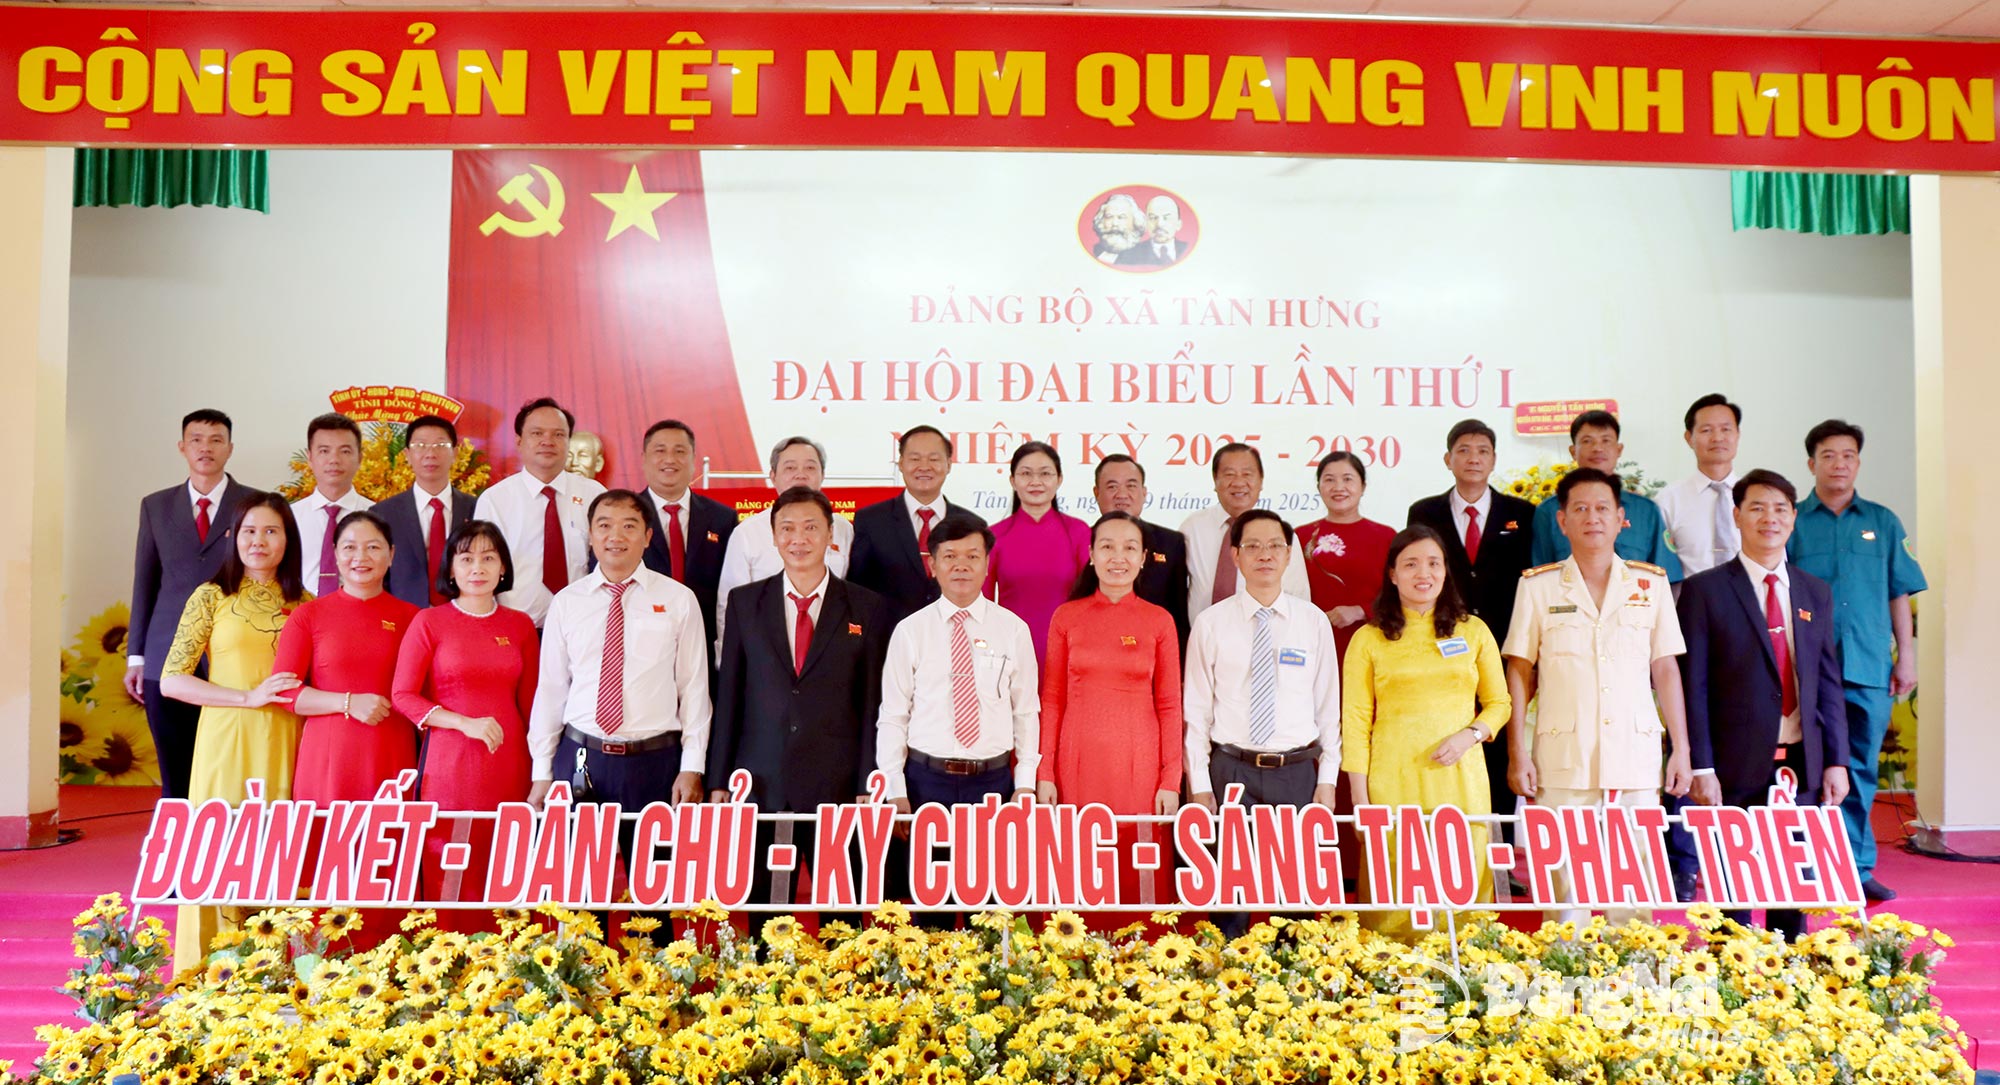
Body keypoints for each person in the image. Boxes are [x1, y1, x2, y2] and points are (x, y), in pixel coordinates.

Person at [1503, 468, 1693, 926]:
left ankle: (1638, 981)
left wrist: (1682, 749)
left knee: (1637, 878)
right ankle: (1562, 976)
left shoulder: (1651, 585)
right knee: (1562, 884)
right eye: (1581, 509)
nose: (1593, 518)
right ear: (1562, 521)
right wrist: (1517, 752)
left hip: (1635, 752)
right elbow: (1519, 670)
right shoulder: (1537, 586)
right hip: (1563, 753)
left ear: (1621, 519)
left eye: (1603, 508)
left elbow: (1665, 668)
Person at [1679, 469, 1848, 940]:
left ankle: (1787, 984)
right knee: (1732, 887)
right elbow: (1693, 685)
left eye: (1779, 508)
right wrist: (1701, 765)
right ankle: (1730, 989)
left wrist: (1836, 759)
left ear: (1793, 518)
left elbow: (1827, 683)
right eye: (1756, 507)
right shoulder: (1704, 591)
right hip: (1732, 767)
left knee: (1791, 886)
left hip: (1801, 762)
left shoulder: (1815, 591)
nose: (1768, 518)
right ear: (1736, 516)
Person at [707, 487, 891, 910]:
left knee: (839, 915)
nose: (799, 539)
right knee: (765, 912)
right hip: (761, 779)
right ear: (773, 537)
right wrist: (719, 778)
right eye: (787, 529)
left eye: (811, 528)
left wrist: (868, 777)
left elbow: (871, 703)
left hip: (839, 782)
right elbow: (730, 694)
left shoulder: (866, 607)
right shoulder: (745, 603)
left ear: (832, 536)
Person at [158, 494, 307, 972]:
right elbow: (172, 679)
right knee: (221, 846)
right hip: (226, 738)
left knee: (278, 846)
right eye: (249, 531)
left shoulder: (306, 604)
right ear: (233, 538)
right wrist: (247, 697)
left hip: (288, 739)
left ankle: (278, 967)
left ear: (289, 539)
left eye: (271, 532)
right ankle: (214, 969)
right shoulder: (211, 596)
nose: (259, 541)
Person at [1342, 525, 1511, 938]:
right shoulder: (1369, 638)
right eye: (1411, 563)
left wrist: (1470, 734)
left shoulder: (1473, 631)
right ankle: (1388, 979)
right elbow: (1356, 720)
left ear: (1445, 571)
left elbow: (1500, 704)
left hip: (1461, 778)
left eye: (1434, 563)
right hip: (1392, 779)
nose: (1424, 573)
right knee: (1394, 878)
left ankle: (1470, 971)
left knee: (1464, 871)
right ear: (1393, 574)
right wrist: (1361, 799)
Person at [1787, 420, 1926, 903]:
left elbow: (1899, 593)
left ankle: (1855, 867)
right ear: (1812, 463)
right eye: (1828, 455)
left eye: (1848, 455)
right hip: (1808, 670)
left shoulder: (1883, 522)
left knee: (1862, 768)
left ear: (1858, 463)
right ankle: (1808, 866)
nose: (1839, 463)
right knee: (1808, 770)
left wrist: (1904, 656)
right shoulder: (1793, 520)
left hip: (1867, 665)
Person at [1183, 510, 1340, 936]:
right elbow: (1195, 711)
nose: (1264, 555)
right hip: (1230, 771)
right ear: (1236, 556)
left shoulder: (1313, 622)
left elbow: (1328, 708)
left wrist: (1327, 777)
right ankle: (1228, 985)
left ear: (1289, 556)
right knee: (1229, 897)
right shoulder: (1211, 623)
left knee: (1295, 901)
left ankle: (1293, 989)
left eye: (1274, 546)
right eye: (1252, 545)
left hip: (1296, 773)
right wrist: (1199, 784)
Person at [879, 516, 1040, 919]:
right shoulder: (910, 632)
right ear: (932, 565)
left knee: (989, 911)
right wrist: (895, 789)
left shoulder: (1013, 631)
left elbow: (1026, 713)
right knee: (927, 911)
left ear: (988, 563)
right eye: (949, 556)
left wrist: (1024, 787)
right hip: (924, 783)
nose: (961, 566)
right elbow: (893, 716)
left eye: (972, 555)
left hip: (993, 783)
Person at [528, 491, 709, 843]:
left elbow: (694, 688)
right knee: (574, 887)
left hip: (656, 761)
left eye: (629, 526)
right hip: (581, 759)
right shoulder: (567, 602)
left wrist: (692, 766)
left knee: (655, 884)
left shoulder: (677, 599)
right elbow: (551, 690)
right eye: (605, 525)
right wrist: (542, 771)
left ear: (647, 537)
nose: (616, 536)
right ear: (591, 535)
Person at [391, 521, 540, 920]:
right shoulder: (429, 622)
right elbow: (402, 695)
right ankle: (449, 962)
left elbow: (533, 706)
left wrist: (542, 769)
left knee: (507, 861)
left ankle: (510, 965)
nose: (478, 567)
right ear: (451, 570)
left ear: (503, 568)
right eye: (467, 558)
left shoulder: (520, 625)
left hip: (511, 763)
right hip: (450, 765)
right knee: (452, 861)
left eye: (488, 558)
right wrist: (463, 723)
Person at [1404, 420, 1536, 856]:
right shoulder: (1425, 512)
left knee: (1499, 739)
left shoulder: (1522, 513)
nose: (1473, 457)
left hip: (1506, 643)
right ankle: (1448, 852)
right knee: (1450, 735)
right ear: (1448, 459)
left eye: (1483, 450)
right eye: (1463, 450)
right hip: (1444, 643)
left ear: (1495, 459)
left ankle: (1496, 857)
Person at [1038, 512, 1183, 907]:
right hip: (1077, 762)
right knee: (1080, 864)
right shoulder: (1067, 617)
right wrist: (1045, 770)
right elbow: (1052, 698)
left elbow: (1170, 705)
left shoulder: (1159, 621)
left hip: (1140, 765)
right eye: (1107, 546)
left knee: (1138, 869)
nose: (1118, 557)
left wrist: (1171, 778)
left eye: (1129, 548)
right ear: (1090, 555)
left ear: (1143, 558)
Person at [126, 408, 266, 800]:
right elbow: (145, 581)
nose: (206, 448)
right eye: (197, 440)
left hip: (234, 650)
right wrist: (136, 657)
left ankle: (231, 835)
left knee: (231, 761)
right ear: (182, 447)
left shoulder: (255, 503)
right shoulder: (155, 506)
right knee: (175, 762)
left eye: (216, 439)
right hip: (166, 650)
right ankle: (177, 842)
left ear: (230, 448)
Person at [274, 510, 420, 806]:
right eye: (350, 547)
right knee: (326, 845)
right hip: (329, 756)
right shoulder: (308, 615)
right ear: (335, 555)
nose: (360, 557)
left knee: (389, 843)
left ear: (391, 555)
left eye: (373, 547)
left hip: (392, 751)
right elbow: (284, 692)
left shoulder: (413, 618)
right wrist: (348, 703)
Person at [714, 436, 855, 652]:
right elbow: (728, 606)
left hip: (829, 647)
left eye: (810, 467)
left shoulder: (843, 528)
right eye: (790, 467)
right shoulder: (747, 532)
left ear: (822, 475)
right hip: (764, 651)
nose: (800, 474)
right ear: (773, 476)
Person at [472, 397, 605, 626]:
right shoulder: (495, 500)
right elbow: (481, 567)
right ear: (519, 441)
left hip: (583, 626)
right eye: (537, 433)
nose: (548, 441)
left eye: (558, 434)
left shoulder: (594, 495)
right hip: (516, 628)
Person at [1529, 410, 1684, 582]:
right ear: (1573, 451)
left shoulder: (1646, 511)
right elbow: (1541, 580)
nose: (1597, 448)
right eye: (1587, 441)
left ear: (1619, 449)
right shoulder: (1549, 512)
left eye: (1606, 440)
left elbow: (1667, 579)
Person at [849, 426, 982, 624]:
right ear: (901, 464)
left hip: (955, 639)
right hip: (887, 643)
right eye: (915, 459)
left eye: (934, 459)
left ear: (948, 464)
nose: (924, 466)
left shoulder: (972, 525)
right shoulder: (870, 521)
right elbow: (857, 591)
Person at [634, 419, 737, 665]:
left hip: (704, 644)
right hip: (641, 645)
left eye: (680, 451)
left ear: (693, 460)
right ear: (644, 458)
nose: (670, 459)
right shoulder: (624, 515)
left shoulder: (723, 518)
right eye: (660, 451)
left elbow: (732, 585)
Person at [986, 441, 1092, 665]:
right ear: (1013, 480)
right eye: (1026, 474)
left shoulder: (1079, 532)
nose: (1036, 482)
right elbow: (982, 602)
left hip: (1070, 651)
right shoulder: (994, 536)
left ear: (1059, 479)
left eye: (1045, 474)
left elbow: (1091, 598)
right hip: (1009, 652)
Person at [1182, 443, 1310, 624]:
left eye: (1247, 474)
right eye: (1229, 474)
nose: (1239, 482)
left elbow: (1299, 595)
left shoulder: (1279, 533)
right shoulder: (1192, 528)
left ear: (1261, 481)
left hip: (1265, 638)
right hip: (1203, 640)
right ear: (1215, 480)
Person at [1296, 451, 1396, 661]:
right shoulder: (1300, 536)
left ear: (1363, 486)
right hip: (1313, 646)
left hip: (1373, 643)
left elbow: (1401, 595)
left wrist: (1362, 611)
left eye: (1348, 479)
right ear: (1319, 488)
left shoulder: (1386, 536)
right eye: (1329, 480)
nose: (1338, 487)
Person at [373, 414, 475, 608]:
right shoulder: (383, 513)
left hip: (463, 615)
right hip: (403, 618)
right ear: (407, 455)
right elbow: (379, 574)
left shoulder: (475, 508)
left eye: (440, 445)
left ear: (455, 453)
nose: (430, 453)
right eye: (420, 446)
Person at [1092, 454, 1190, 651]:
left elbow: (1178, 612)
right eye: (1112, 487)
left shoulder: (1171, 542)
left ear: (1144, 492)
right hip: (1095, 651)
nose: (1122, 494)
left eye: (1131, 486)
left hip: (1155, 655)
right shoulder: (1083, 539)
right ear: (1096, 493)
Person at [1656, 394, 1744, 578]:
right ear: (1689, 438)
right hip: (1690, 602)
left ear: (1737, 435)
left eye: (1726, 429)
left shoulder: (1755, 497)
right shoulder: (1668, 501)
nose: (1717, 438)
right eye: (1706, 430)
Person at [291, 413, 374, 601]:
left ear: (360, 457)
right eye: (324, 451)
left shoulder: (376, 515)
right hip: (299, 615)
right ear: (310, 458)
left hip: (360, 613)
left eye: (345, 451)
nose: (334, 460)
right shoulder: (289, 516)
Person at [1124, 195, 1188, 265]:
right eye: (1153, 218)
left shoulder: (1188, 249)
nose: (1159, 224)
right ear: (1146, 223)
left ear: (1178, 224)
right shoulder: (1130, 256)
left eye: (1166, 218)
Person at [1090, 193, 1148, 265]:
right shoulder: (1094, 252)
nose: (1115, 223)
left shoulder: (1144, 256)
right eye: (1109, 217)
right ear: (1102, 221)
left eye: (1121, 217)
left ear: (1135, 222)